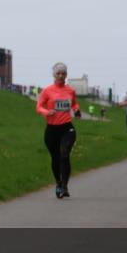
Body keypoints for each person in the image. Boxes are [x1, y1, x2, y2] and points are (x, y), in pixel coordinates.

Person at [35, 62, 81, 198]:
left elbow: (74, 103)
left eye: (63, 73)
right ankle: (59, 183)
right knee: (55, 158)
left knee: (65, 155)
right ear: (54, 75)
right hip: (52, 130)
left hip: (67, 128)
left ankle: (65, 187)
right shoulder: (47, 91)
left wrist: (77, 110)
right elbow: (38, 106)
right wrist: (46, 112)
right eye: (58, 73)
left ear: (66, 75)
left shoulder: (70, 90)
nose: (61, 76)